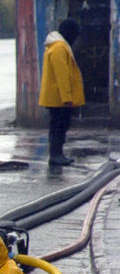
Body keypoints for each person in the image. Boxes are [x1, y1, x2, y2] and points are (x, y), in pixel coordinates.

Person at [38, 18, 84, 166]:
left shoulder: (59, 46)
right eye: (75, 35)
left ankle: (58, 154)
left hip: (57, 96)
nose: (76, 39)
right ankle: (56, 155)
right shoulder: (59, 48)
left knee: (58, 126)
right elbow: (62, 76)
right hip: (59, 98)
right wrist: (67, 98)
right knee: (59, 126)